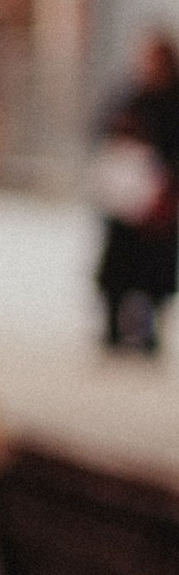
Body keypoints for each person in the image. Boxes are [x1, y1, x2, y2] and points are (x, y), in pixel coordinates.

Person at [92, 28, 179, 355]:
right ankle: (114, 328)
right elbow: (102, 128)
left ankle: (149, 331)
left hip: (158, 197)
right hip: (126, 197)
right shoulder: (131, 94)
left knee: (153, 270)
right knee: (118, 268)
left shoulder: (171, 101)